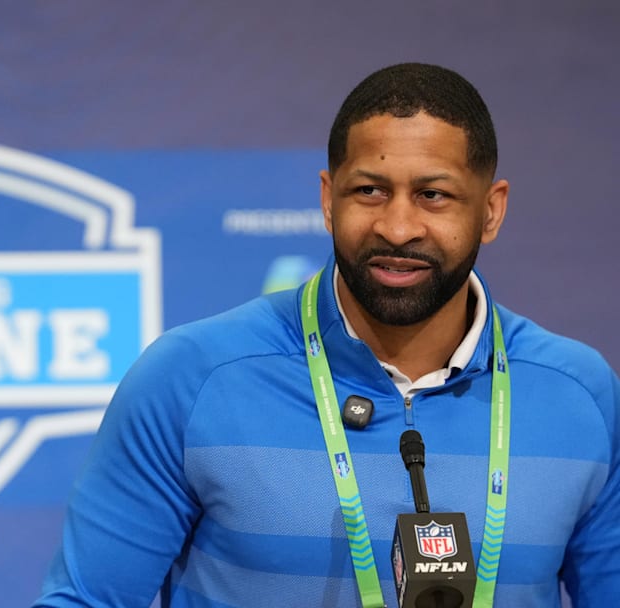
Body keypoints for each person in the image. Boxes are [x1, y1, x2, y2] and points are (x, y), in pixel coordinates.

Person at [33, 63, 620, 607]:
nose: (397, 226)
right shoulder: (191, 378)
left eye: (432, 195)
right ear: (326, 199)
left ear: (491, 211)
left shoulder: (581, 395)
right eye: (370, 190)